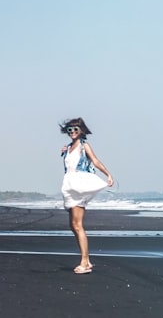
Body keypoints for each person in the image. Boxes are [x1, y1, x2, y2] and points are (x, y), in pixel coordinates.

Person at [59, 117, 114, 274]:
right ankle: (87, 260)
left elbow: (95, 161)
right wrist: (63, 152)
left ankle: (85, 262)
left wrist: (108, 174)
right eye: (70, 130)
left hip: (80, 184)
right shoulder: (68, 147)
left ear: (81, 131)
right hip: (69, 185)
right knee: (73, 225)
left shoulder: (84, 146)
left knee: (77, 225)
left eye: (76, 129)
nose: (72, 132)